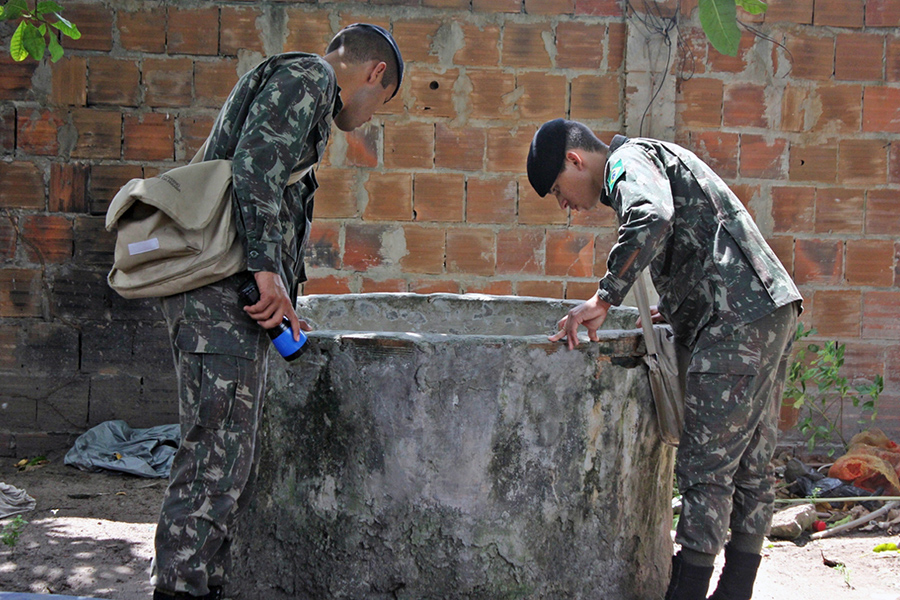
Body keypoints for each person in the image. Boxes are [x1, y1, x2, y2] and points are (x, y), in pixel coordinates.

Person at [151, 24, 404, 600]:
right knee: (213, 455)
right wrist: (268, 273)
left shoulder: (303, 92)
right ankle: (178, 588)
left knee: (227, 459)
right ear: (375, 73)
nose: (368, 117)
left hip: (226, 295)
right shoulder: (310, 77)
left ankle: (203, 585)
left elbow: (271, 194)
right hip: (217, 291)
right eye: (380, 105)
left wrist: (284, 292)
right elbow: (256, 168)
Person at [526, 119, 802, 600]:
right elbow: (697, 234)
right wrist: (675, 304)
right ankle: (736, 590)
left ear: (575, 160)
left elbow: (653, 216)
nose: (565, 206)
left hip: (735, 319)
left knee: (705, 469)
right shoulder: (651, 157)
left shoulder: (625, 163)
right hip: (765, 309)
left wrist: (604, 298)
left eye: (557, 191)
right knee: (751, 466)